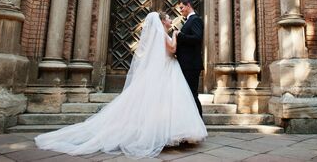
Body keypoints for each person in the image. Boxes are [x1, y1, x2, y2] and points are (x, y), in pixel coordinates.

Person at [35, 12, 207, 158]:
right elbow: (172, 50)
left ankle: (163, 135)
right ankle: (162, 135)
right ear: (162, 21)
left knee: (161, 104)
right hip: (167, 71)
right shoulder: (162, 34)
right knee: (164, 103)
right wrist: (176, 36)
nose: (171, 21)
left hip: (166, 71)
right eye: (169, 19)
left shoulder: (158, 34)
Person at [175, 0, 204, 117]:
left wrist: (180, 35)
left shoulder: (195, 19)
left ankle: (199, 122)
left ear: (188, 6)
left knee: (192, 94)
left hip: (191, 65)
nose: (180, 11)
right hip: (186, 64)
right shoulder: (188, 20)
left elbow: (197, 38)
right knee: (188, 94)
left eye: (181, 7)